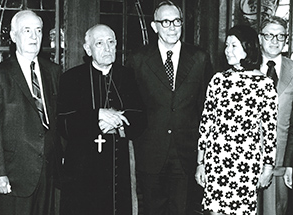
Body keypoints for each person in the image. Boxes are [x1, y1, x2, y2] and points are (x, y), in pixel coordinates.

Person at [127, 1, 213, 214]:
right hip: (150, 153)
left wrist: (204, 156)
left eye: (177, 21)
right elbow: (131, 107)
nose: (172, 27)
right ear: (154, 26)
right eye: (165, 22)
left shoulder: (199, 58)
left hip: (186, 154)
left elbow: (207, 110)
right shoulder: (138, 59)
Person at [57, 24, 146, 215]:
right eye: (99, 43)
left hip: (118, 168)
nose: (107, 48)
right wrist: (97, 115)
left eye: (111, 42)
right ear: (88, 50)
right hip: (81, 169)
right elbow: (64, 124)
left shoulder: (127, 76)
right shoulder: (71, 78)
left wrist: (117, 122)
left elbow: (140, 117)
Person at [195, 25, 278, 215]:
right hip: (216, 161)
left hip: (246, 163)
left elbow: (270, 131)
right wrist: (201, 162)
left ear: (248, 48)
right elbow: (206, 124)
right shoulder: (218, 80)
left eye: (234, 45)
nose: (227, 50)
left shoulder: (264, 85)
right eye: (226, 45)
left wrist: (267, 167)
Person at [0, 10, 61, 215]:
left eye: (38, 30)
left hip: (48, 172)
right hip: (13, 174)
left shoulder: (53, 71)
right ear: (13, 36)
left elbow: (57, 119)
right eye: (27, 30)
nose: (34, 36)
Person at [258, 16, 293, 215]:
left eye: (280, 36)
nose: (274, 41)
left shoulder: (292, 70)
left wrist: (290, 164)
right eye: (269, 35)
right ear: (259, 38)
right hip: (245, 159)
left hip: (280, 163)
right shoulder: (246, 69)